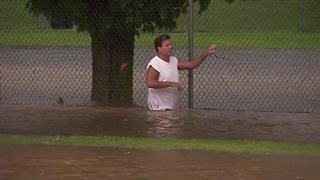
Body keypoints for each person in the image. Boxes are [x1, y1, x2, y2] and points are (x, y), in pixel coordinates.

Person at [146, 34, 217, 110]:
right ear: (159, 48)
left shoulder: (173, 60)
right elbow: (150, 83)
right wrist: (172, 84)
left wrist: (206, 53)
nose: (170, 47)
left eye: (171, 44)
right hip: (158, 109)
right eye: (167, 45)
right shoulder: (155, 64)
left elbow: (191, 64)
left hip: (170, 108)